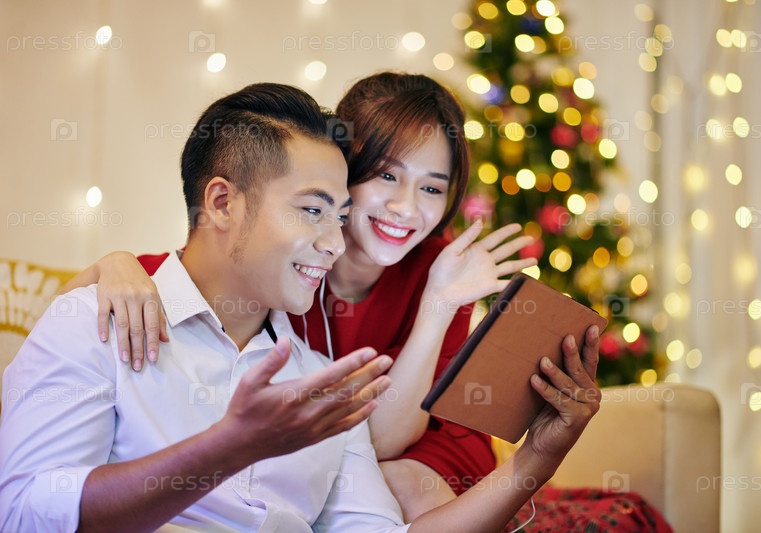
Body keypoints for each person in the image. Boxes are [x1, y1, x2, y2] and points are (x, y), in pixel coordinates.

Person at [0, 81, 601, 532]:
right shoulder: (105, 316)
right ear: (222, 203)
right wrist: (229, 446)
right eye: (314, 210)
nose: (335, 242)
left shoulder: (325, 384)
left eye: (339, 216)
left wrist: (535, 460)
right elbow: (23, 512)